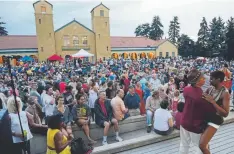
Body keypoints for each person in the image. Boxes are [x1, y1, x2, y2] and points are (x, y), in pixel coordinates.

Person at [179, 69, 209, 154]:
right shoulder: (201, 95)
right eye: (203, 78)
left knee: (184, 144)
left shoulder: (186, 89)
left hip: (184, 121)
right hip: (195, 125)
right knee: (197, 146)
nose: (204, 79)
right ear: (197, 82)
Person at [200, 71, 230, 154]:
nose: (209, 80)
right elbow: (202, 98)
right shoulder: (210, 88)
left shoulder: (225, 93)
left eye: (212, 79)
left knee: (202, 145)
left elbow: (226, 113)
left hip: (215, 120)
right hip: (206, 118)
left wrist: (213, 102)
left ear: (218, 79)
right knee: (205, 144)